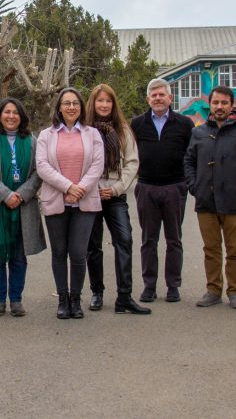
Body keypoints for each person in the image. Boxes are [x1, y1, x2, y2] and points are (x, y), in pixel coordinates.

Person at [183, 86, 236, 309]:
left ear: (231, 105)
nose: (219, 107)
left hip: (234, 201)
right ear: (210, 104)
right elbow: (188, 161)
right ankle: (213, 289)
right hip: (206, 200)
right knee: (211, 249)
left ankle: (234, 290)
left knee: (234, 249)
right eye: (216, 103)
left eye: (224, 103)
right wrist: (193, 185)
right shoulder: (198, 133)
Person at [0, 98, 45, 317]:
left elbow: (39, 171)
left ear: (21, 117)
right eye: (7, 112)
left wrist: (21, 195)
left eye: (15, 112)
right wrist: (5, 194)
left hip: (24, 205)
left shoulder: (33, 141)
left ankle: (17, 299)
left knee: (19, 255)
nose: (11, 116)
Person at [36, 87, 105, 319]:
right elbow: (42, 166)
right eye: (66, 103)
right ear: (59, 107)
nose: (71, 107)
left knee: (78, 252)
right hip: (56, 200)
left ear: (81, 106)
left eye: (75, 103)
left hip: (84, 202)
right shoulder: (47, 135)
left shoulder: (92, 134)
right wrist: (68, 187)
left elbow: (97, 165)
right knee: (59, 252)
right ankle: (62, 300)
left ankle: (76, 299)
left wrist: (80, 189)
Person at [84, 84, 151, 315]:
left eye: (108, 101)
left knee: (124, 239)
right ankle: (97, 292)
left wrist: (117, 188)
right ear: (93, 103)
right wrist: (89, 188)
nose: (104, 105)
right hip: (90, 196)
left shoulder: (122, 130)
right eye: (100, 101)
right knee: (92, 246)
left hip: (115, 195)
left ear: (113, 104)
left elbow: (132, 162)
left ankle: (124, 296)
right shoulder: (84, 129)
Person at [130, 79, 194, 303]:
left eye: (161, 95)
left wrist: (188, 182)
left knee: (174, 239)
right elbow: (130, 155)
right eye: (153, 95)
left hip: (175, 187)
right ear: (148, 99)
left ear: (170, 98)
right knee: (149, 240)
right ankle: (149, 285)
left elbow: (191, 156)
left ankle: (173, 285)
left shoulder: (184, 124)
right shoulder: (137, 124)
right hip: (146, 187)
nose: (157, 99)